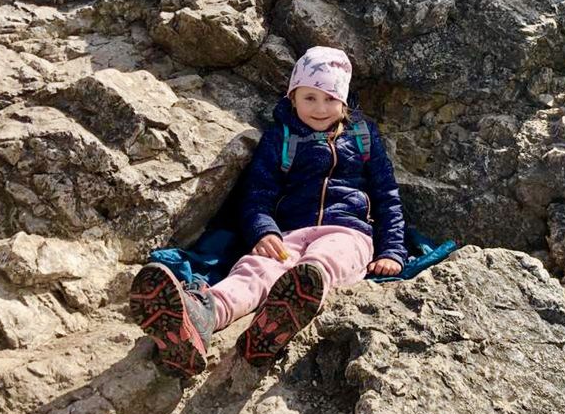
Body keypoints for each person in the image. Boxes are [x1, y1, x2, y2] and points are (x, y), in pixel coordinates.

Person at [128, 46, 407, 377]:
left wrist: (392, 250)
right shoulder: (281, 137)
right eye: (309, 98)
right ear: (293, 97)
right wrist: (263, 231)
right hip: (288, 234)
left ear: (344, 101)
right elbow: (257, 194)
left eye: (330, 99)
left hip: (348, 232)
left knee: (323, 261)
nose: (320, 109)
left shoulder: (363, 137)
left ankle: (287, 311)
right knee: (255, 270)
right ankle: (201, 317)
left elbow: (387, 196)